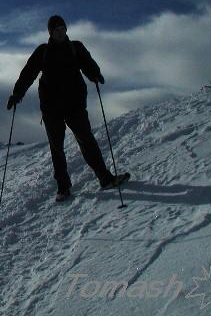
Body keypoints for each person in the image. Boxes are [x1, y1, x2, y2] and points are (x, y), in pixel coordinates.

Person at [7, 15, 129, 201]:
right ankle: (63, 188)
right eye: (56, 30)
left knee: (87, 140)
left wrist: (95, 74)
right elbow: (28, 73)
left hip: (75, 105)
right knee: (57, 148)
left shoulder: (76, 47)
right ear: (50, 32)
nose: (60, 32)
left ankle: (105, 178)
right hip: (51, 109)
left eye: (62, 28)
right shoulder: (43, 51)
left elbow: (88, 63)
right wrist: (17, 94)